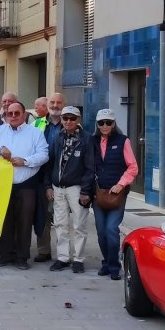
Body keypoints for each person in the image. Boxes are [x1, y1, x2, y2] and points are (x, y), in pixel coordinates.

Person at [0, 101, 49, 270]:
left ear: (24, 114)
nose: (12, 116)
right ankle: (4, 255)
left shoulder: (35, 133)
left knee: (24, 221)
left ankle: (21, 257)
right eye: (9, 114)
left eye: (16, 113)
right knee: (5, 221)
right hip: (3, 184)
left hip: (27, 183)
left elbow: (44, 155)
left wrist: (25, 161)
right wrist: (0, 148)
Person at [44, 106, 95, 274]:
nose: (68, 121)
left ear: (78, 120)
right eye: (65, 118)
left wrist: (86, 191)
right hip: (58, 187)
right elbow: (49, 162)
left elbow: (90, 167)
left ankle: (78, 259)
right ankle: (63, 257)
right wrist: (48, 185)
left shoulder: (87, 139)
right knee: (60, 224)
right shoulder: (58, 137)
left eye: (72, 118)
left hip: (77, 187)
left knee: (79, 224)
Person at [92, 108, 138, 280]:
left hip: (117, 194)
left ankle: (114, 266)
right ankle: (106, 262)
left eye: (108, 123)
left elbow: (133, 167)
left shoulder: (123, 141)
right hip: (98, 193)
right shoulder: (93, 141)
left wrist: (121, 184)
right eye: (101, 123)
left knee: (111, 229)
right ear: (97, 124)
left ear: (113, 124)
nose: (105, 126)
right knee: (100, 231)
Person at [33, 93, 66, 263]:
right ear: (47, 105)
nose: (55, 105)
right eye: (52, 102)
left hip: (64, 175)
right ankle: (44, 250)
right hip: (40, 174)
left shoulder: (70, 122)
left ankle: (64, 254)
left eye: (58, 102)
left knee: (62, 218)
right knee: (43, 215)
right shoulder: (37, 123)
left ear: (63, 104)